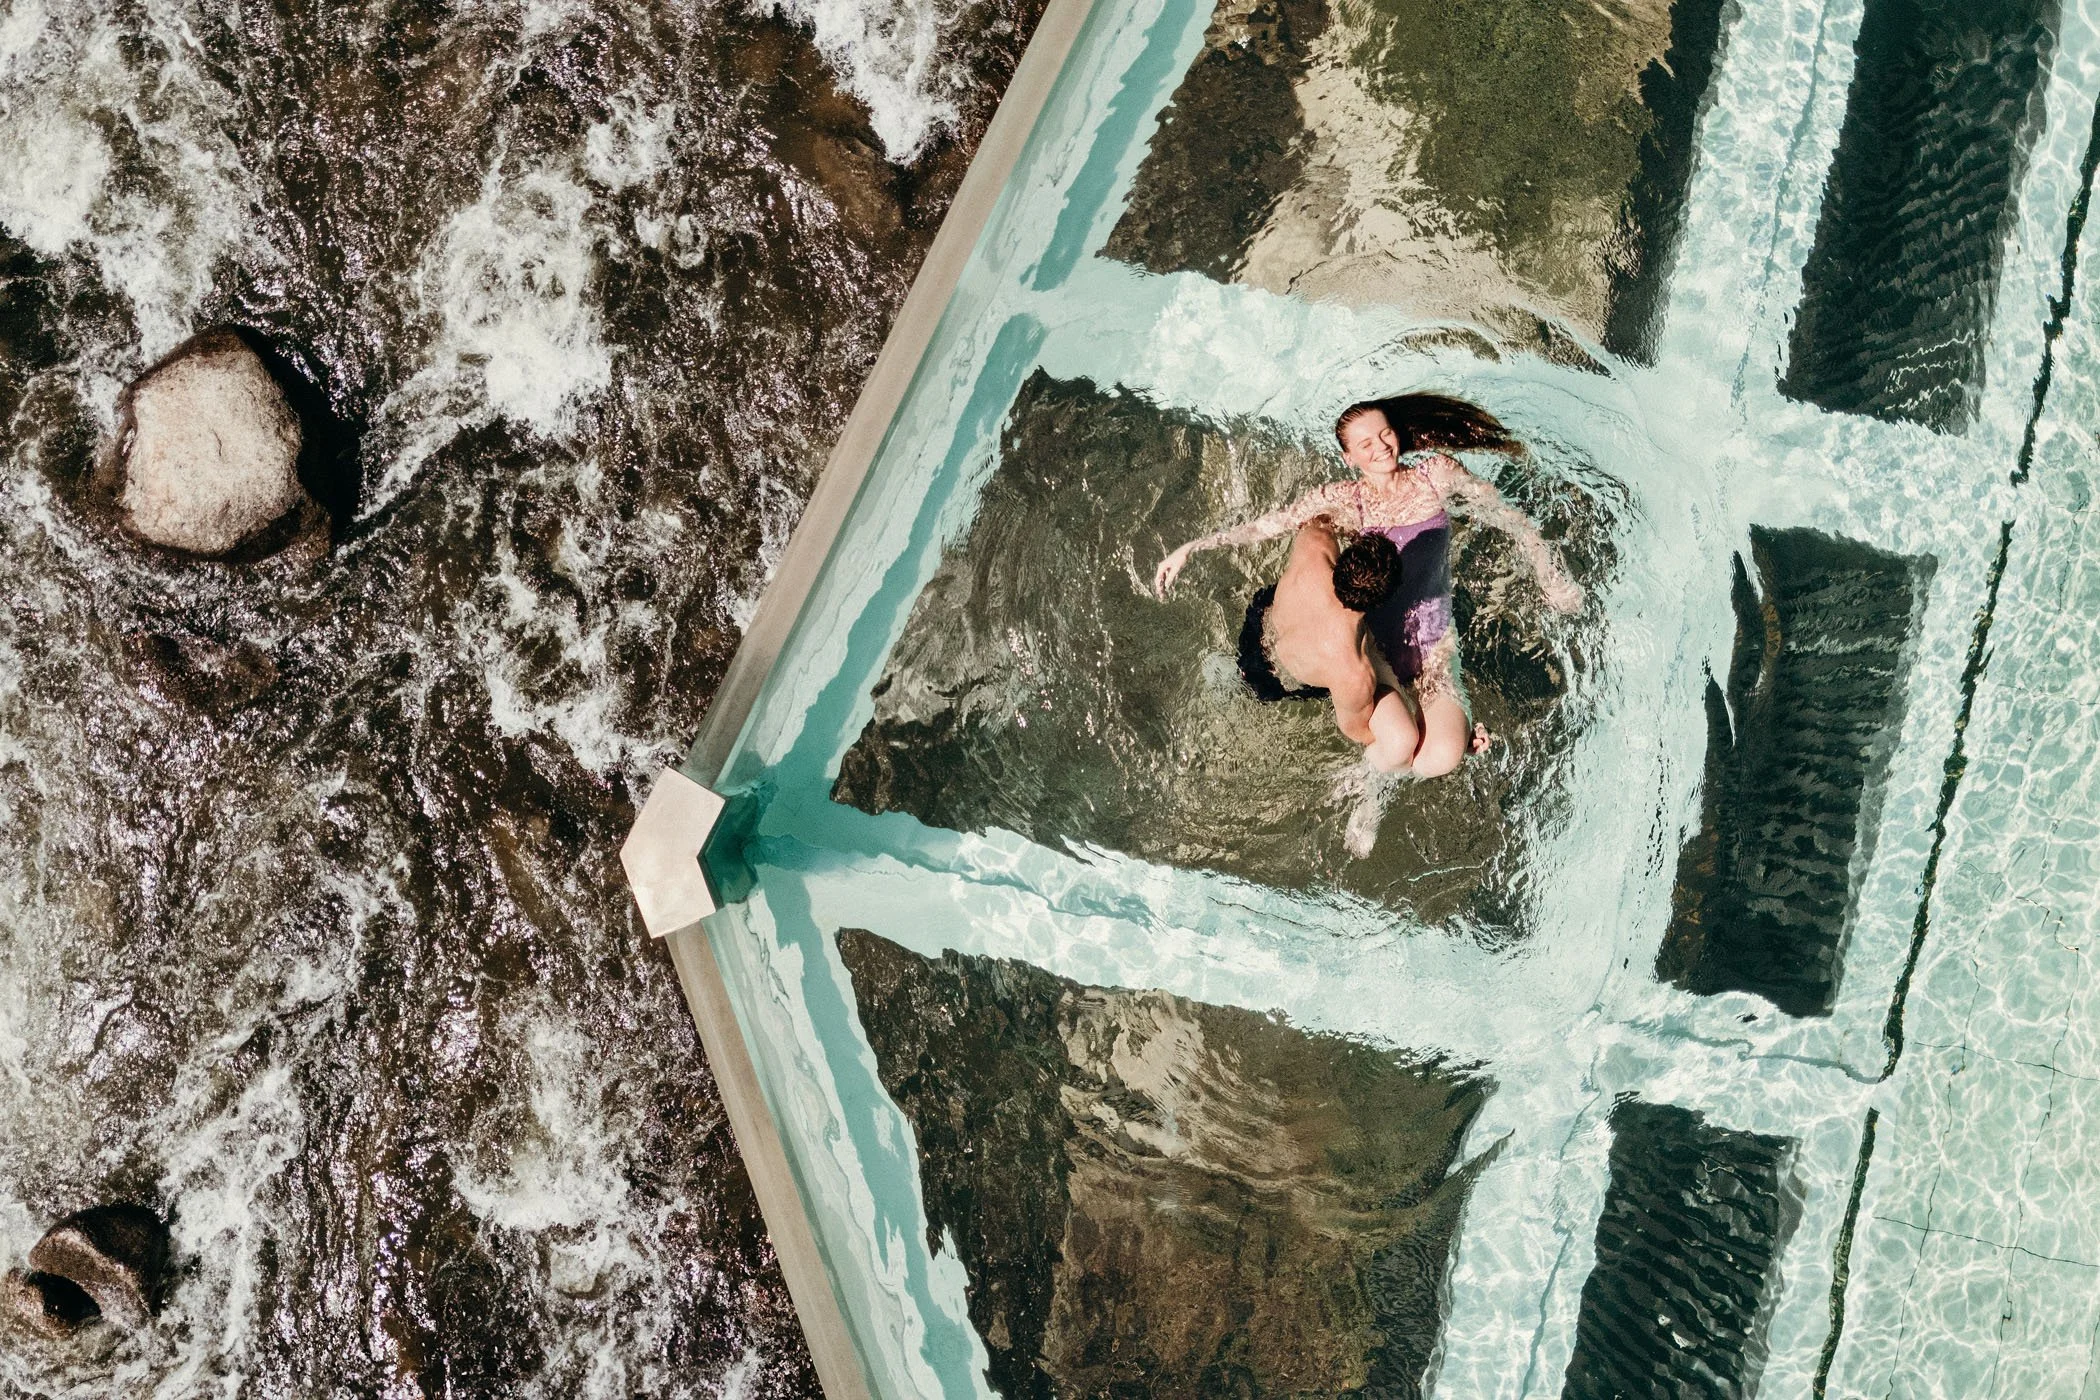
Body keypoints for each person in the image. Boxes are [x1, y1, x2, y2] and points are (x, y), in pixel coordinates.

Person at [1155, 395, 1583, 777]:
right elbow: (1271, 524)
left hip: (1434, 642)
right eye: (1365, 444)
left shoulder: (1436, 474)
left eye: (1385, 434)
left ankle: (1426, 746)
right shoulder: (1346, 500)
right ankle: (1370, 781)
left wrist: (1551, 575)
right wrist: (1194, 547)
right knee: (1399, 747)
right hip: (1375, 648)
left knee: (1441, 759)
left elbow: (1508, 517)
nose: (1380, 447)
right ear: (1349, 458)